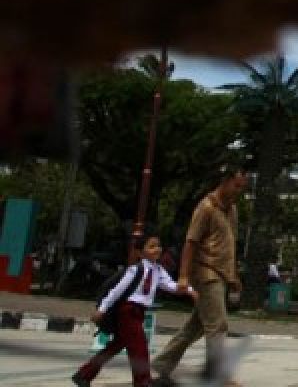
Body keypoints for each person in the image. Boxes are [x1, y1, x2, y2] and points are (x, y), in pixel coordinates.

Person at [150, 164, 250, 387]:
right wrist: (184, 276)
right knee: (218, 324)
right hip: (206, 273)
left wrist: (233, 276)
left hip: (222, 273)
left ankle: (161, 365)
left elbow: (230, 244)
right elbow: (190, 243)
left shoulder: (231, 210)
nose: (238, 192)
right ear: (224, 181)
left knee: (194, 327)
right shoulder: (205, 208)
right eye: (236, 186)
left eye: (242, 188)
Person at [73, 233, 195, 387]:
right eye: (151, 246)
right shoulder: (134, 270)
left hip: (139, 313)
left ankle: (84, 374)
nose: (157, 249)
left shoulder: (158, 270)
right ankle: (143, 382)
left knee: (115, 346)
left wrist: (190, 290)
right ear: (140, 252)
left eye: (158, 245)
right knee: (139, 348)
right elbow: (116, 291)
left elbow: (171, 286)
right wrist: (102, 309)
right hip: (128, 311)